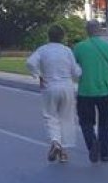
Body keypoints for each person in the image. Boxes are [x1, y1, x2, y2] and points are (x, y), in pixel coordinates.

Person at [26, 24, 81, 163]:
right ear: (62, 37)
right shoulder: (67, 51)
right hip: (66, 86)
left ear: (48, 36)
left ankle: (56, 142)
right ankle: (63, 152)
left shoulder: (43, 50)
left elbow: (30, 62)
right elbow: (76, 71)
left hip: (49, 86)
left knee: (51, 116)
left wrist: (38, 75)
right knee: (66, 118)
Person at [73, 19, 108, 163]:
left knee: (85, 122)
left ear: (87, 31)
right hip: (106, 91)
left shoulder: (79, 48)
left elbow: (73, 68)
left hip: (85, 91)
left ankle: (92, 143)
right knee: (105, 123)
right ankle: (105, 153)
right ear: (100, 31)